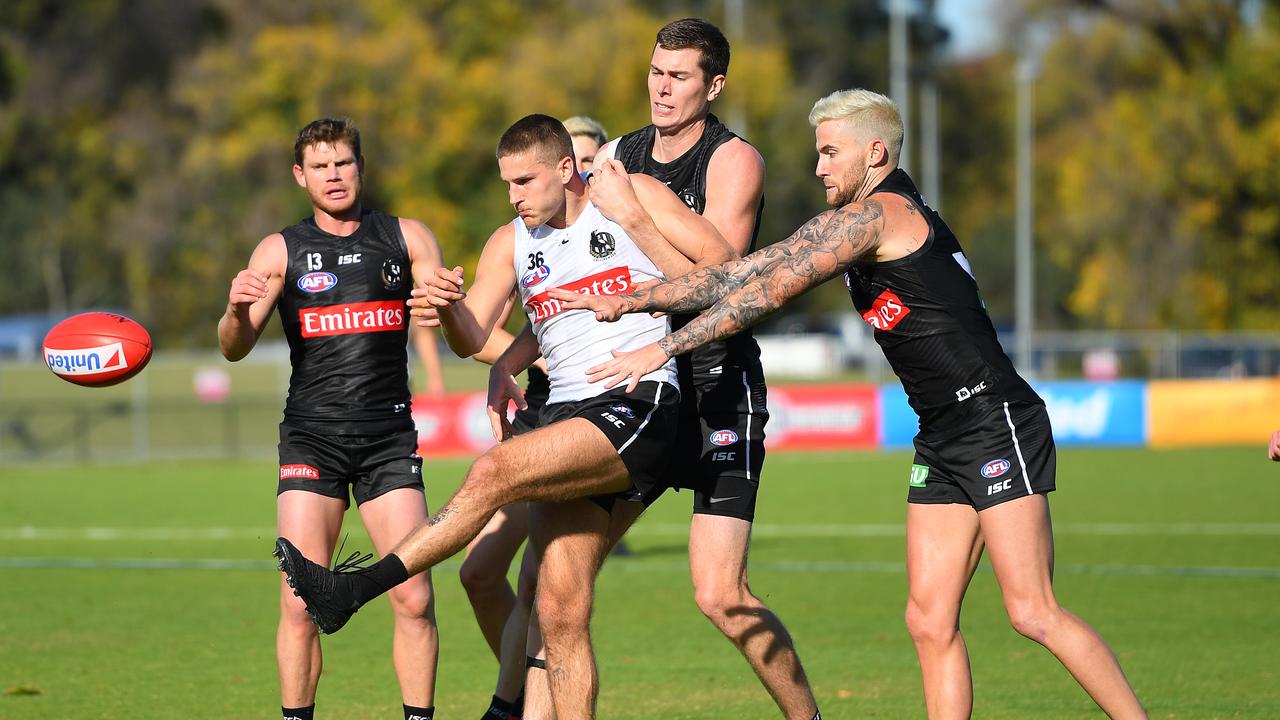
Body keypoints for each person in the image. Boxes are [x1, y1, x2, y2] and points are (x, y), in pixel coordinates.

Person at [554, 88, 1149, 720]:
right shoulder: (855, 220)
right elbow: (747, 269)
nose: (819, 167)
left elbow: (763, 295)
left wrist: (664, 343)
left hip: (993, 417)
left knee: (1032, 611)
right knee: (927, 619)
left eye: (830, 152)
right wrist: (630, 301)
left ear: (875, 152)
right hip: (942, 433)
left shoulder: (879, 216)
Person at [274, 113, 734, 719]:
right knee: (560, 611)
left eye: (524, 182)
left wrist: (637, 222)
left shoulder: (630, 193)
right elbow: (472, 335)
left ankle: (357, 587)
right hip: (564, 417)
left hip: (636, 402)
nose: (513, 198)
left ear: (566, 169)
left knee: (494, 471)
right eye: (506, 184)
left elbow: (725, 272)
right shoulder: (508, 241)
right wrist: (448, 308)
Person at [591, 18, 821, 720]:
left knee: (720, 594)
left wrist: (637, 217)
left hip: (719, 388)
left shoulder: (733, 161)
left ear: (713, 84)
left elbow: (722, 287)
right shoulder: (617, 153)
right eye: (657, 72)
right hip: (639, 386)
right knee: (557, 574)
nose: (662, 88)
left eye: (680, 76)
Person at [219, 118, 442, 720]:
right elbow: (233, 346)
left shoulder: (406, 236)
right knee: (298, 604)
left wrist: (440, 298)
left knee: (414, 597)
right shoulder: (278, 250)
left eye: (343, 163)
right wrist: (237, 308)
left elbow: (437, 306)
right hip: (312, 439)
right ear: (301, 176)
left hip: (388, 441)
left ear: (360, 167)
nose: (334, 175)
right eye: (320, 166)